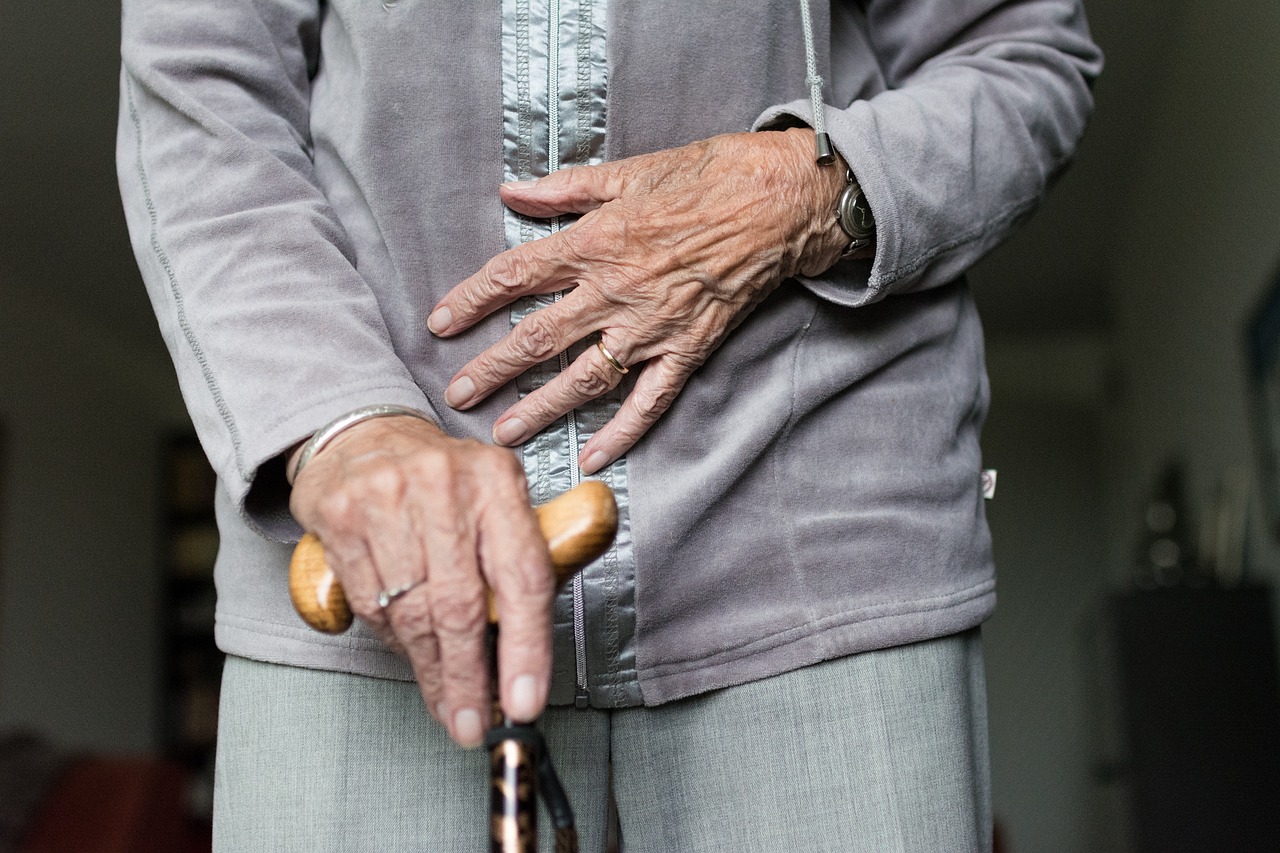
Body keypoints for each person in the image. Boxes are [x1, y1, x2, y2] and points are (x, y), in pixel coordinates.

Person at [118, 1, 1101, 850]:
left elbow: (1022, 60)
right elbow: (201, 93)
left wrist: (804, 190)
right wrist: (347, 429)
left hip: (822, 560)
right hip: (369, 579)